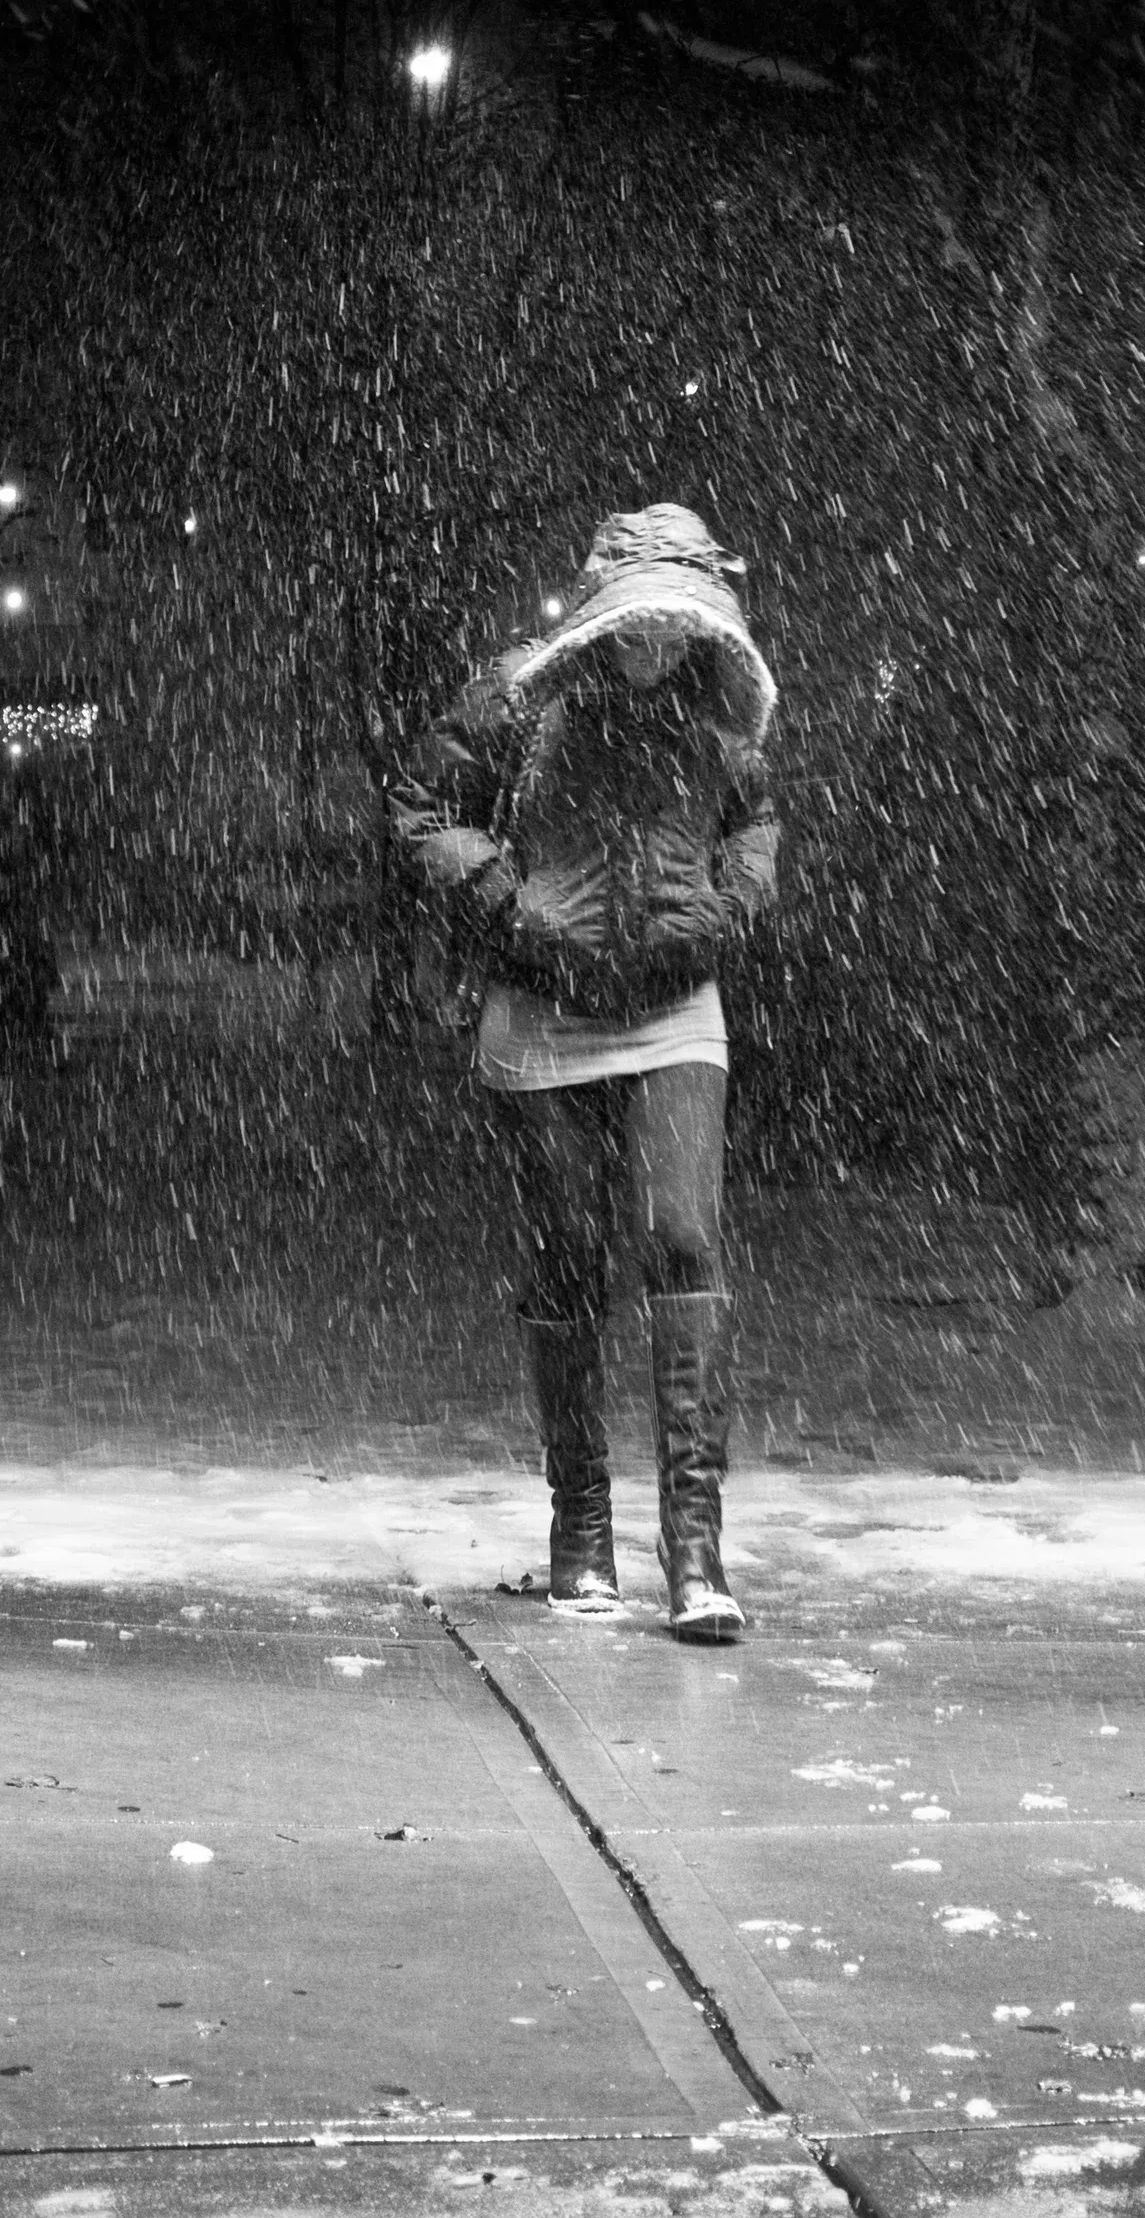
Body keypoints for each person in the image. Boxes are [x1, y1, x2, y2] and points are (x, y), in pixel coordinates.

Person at [389, 505, 779, 1640]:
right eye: (639, 621)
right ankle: (582, 1526)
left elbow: (756, 823)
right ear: (606, 613)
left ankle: (695, 1544)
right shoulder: (517, 696)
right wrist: (509, 906)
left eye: (676, 623)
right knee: (567, 1254)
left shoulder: (719, 711)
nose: (655, 644)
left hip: (674, 1011)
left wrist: (725, 906)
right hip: (539, 1013)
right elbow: (420, 807)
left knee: (681, 1237)